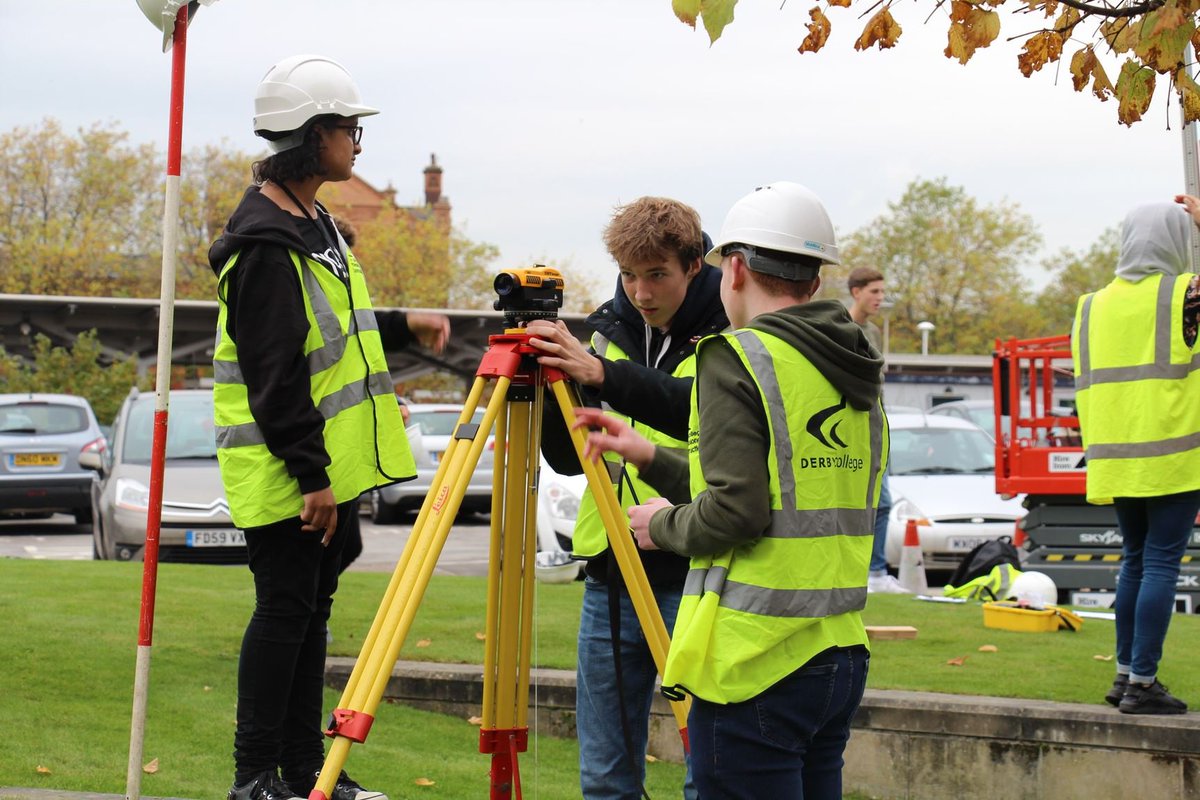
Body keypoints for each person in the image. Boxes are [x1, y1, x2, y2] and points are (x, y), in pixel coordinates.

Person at [573, 181, 886, 799]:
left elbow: (737, 510)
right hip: (838, 650)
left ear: (733, 268)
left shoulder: (738, 356)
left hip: (756, 659)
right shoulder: (850, 361)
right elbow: (776, 490)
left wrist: (659, 524)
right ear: (816, 279)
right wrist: (650, 456)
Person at [208, 54, 450, 800]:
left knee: (308, 618)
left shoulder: (315, 227)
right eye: (349, 128)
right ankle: (255, 778)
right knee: (284, 616)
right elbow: (275, 373)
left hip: (323, 475)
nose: (358, 143)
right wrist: (311, 476)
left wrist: (405, 327)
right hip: (288, 475)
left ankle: (308, 775)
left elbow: (335, 334)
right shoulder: (266, 245)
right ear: (314, 136)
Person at [526, 196, 727, 799]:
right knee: (606, 775)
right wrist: (548, 389)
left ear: (693, 265)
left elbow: (697, 404)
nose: (640, 290)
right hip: (612, 566)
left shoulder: (732, 330)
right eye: (629, 274)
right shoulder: (604, 330)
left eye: (657, 274)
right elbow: (569, 457)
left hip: (698, 566)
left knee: (712, 769)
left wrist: (601, 375)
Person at [1072, 197, 1200, 715]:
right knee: (1163, 562)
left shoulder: (1091, 304)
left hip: (1116, 455)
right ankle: (1143, 684)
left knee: (1135, 561)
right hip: (1171, 452)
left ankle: (1125, 674)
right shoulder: (1183, 294)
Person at [847, 266, 904, 594]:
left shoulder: (873, 332)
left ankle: (876, 572)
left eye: (882, 292)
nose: (880, 298)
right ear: (856, 292)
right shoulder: (844, 328)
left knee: (882, 502)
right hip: (857, 430)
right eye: (874, 292)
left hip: (877, 424)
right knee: (875, 501)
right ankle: (873, 572)